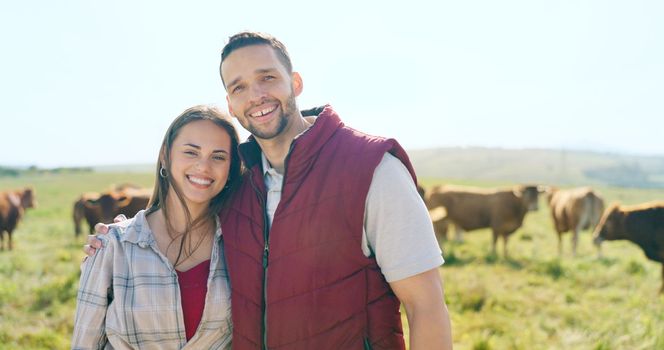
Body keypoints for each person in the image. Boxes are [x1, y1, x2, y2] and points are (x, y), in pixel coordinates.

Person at [87, 32, 453, 349]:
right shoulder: (236, 181)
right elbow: (183, 218)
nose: (257, 96)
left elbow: (427, 307)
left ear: (295, 83)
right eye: (239, 87)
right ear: (230, 105)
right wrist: (119, 237)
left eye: (268, 78)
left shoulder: (372, 168)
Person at [73, 105, 242, 349]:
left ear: (230, 168)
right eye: (191, 152)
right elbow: (84, 343)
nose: (203, 167)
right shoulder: (112, 246)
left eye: (218, 156)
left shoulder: (239, 244)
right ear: (165, 155)